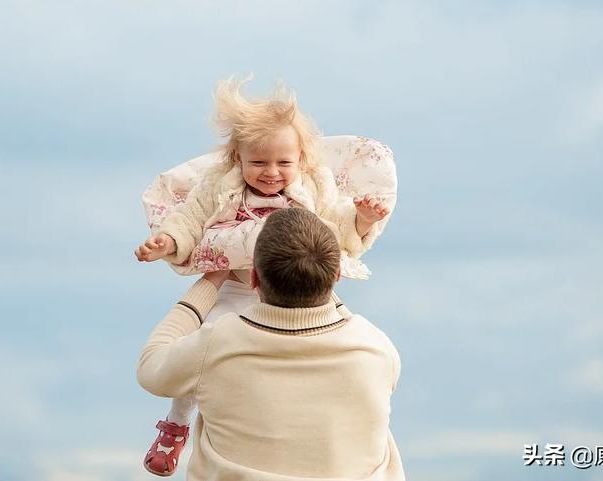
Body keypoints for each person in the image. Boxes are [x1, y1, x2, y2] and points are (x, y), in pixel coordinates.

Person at [134, 77, 391, 476]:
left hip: (295, 293)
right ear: (236, 158)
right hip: (235, 287)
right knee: (199, 351)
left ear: (302, 158)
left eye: (283, 163)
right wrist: (167, 242)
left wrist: (362, 219)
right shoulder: (219, 187)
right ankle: (177, 422)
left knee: (205, 356)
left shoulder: (312, 189)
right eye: (258, 163)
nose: (271, 173)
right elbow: (191, 221)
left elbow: (336, 229)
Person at [137, 208, 405, 481]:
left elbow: (151, 367)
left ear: (253, 279)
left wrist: (212, 278)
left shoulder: (217, 344)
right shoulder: (376, 350)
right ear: (336, 275)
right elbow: (340, 319)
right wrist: (315, 272)